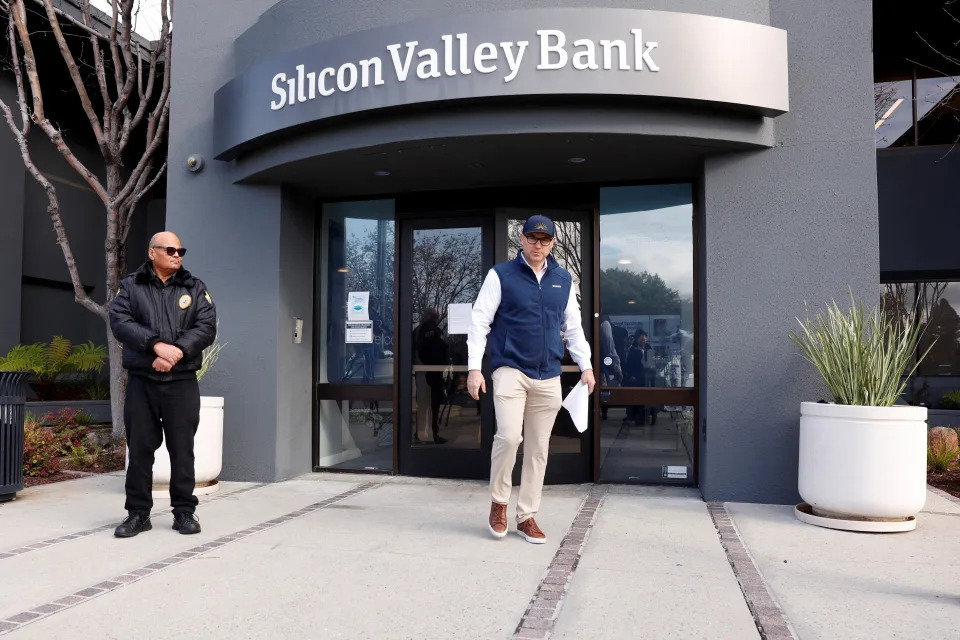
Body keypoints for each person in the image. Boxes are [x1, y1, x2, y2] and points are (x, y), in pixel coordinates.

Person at [467, 215, 595, 544]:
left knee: (539, 448)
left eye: (545, 239)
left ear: (553, 243)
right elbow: (479, 321)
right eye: (532, 238)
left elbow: (573, 327)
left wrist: (586, 365)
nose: (538, 244)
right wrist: (474, 367)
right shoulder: (501, 276)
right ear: (521, 240)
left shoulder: (564, 280)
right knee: (509, 437)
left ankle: (527, 515)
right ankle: (499, 503)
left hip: (548, 374)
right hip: (510, 368)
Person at [109, 232, 217, 538]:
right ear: (152, 252)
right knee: (140, 449)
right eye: (170, 249)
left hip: (181, 382)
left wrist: (176, 352)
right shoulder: (130, 286)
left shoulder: (194, 287)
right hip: (143, 382)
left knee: (182, 449)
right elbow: (120, 322)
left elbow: (206, 327)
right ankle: (138, 514)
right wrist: (156, 346)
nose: (177, 254)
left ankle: (184, 512)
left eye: (181, 249)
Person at [413, 308, 448, 444]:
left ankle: (420, 432)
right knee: (434, 404)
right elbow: (442, 349)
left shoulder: (416, 332)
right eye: (436, 316)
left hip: (420, 371)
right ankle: (434, 434)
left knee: (422, 404)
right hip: (433, 372)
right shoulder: (435, 331)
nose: (437, 318)